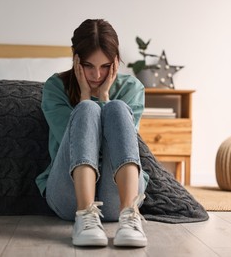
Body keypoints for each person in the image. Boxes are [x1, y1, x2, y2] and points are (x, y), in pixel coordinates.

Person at [35, 19, 149, 247]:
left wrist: (105, 98)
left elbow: (122, 144)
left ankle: (130, 214)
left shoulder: (132, 88)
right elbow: (72, 143)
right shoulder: (55, 87)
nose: (97, 75)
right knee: (86, 109)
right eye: (89, 66)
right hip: (68, 196)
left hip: (116, 194)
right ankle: (85, 215)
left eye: (105, 66)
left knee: (117, 107)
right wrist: (85, 98)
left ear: (116, 61)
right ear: (75, 59)